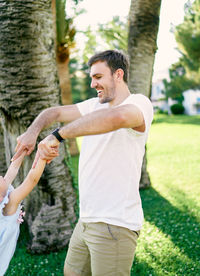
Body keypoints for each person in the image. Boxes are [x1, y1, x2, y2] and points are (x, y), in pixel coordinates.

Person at [13, 50, 154, 276]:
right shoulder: (94, 105)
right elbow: (54, 111)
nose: (92, 84)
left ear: (118, 74)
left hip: (114, 223)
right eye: (91, 78)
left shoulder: (138, 103)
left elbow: (117, 118)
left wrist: (57, 136)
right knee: (72, 272)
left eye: (98, 77)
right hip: (87, 219)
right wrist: (33, 131)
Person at [0, 151, 47, 276]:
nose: (1, 176)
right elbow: (32, 180)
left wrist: (23, 149)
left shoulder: (2, 191)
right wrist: (43, 156)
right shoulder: (9, 204)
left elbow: (13, 167)